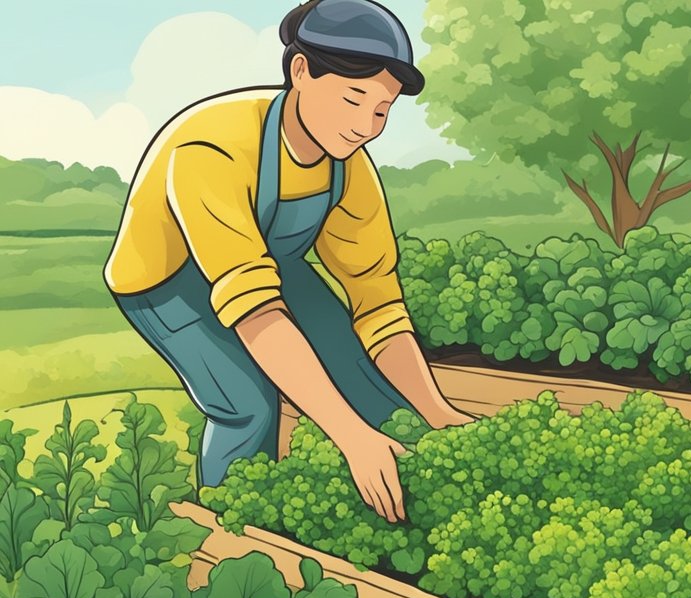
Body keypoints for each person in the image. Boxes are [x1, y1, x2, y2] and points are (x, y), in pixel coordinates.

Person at [103, 0, 473, 523]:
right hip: (166, 282)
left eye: (381, 110)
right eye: (354, 98)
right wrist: (349, 437)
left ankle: (393, 497)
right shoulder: (213, 147)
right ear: (301, 72)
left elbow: (379, 302)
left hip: (267, 264)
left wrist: (438, 416)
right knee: (249, 405)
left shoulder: (348, 171)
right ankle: (237, 529)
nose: (366, 125)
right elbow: (254, 310)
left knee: (366, 383)